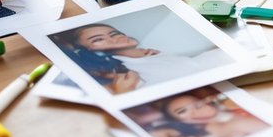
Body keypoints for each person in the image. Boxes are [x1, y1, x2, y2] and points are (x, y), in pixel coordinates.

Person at [55, 22, 233, 94]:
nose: (114, 37)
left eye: (114, 33)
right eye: (98, 40)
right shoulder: (124, 73)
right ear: (86, 51)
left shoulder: (154, 53)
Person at [160, 90, 268, 137]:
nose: (195, 109)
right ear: (180, 121)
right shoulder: (208, 135)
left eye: (196, 103)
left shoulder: (230, 106)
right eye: (182, 111)